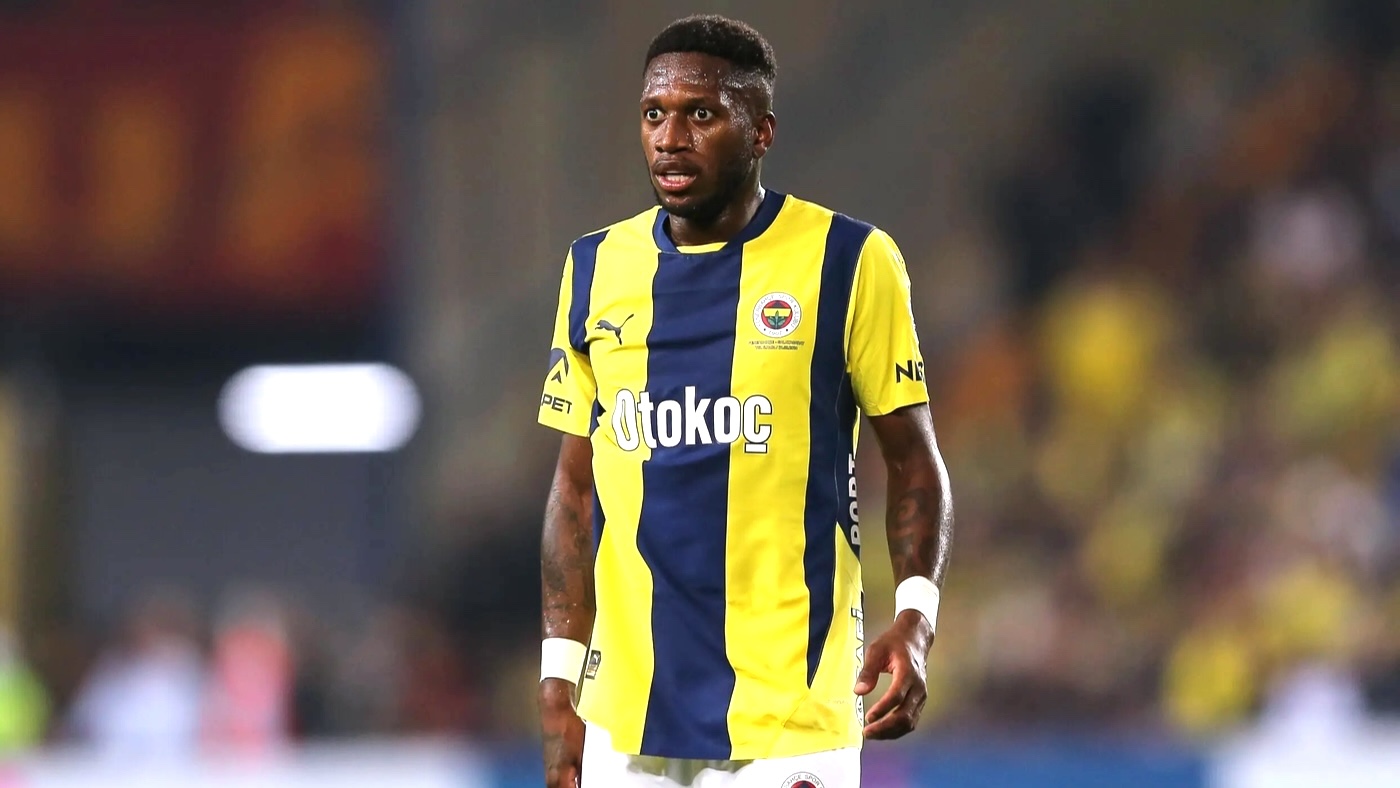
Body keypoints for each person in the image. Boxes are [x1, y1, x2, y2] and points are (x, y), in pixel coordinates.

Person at [536, 14, 953, 788]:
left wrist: (916, 617)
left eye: (701, 114)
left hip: (791, 715)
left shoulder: (849, 260)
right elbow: (574, 488)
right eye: (654, 114)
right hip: (626, 719)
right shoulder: (594, 268)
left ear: (761, 133)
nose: (670, 139)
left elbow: (912, 460)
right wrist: (559, 682)